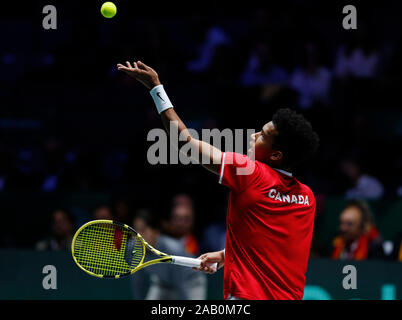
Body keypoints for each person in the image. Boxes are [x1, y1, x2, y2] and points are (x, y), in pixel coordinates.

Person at [117, 60, 320, 300]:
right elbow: (273, 246)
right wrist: (226, 255)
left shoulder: (249, 172)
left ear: (276, 155)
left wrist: (156, 89)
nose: (254, 135)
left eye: (263, 135)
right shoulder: (307, 198)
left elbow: (185, 143)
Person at [130, 209, 207, 300]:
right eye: (135, 231)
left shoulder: (173, 249)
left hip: (191, 283)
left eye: (142, 230)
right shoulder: (134, 249)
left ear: (156, 231)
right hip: (162, 285)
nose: (138, 236)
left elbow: (181, 283)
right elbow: (138, 282)